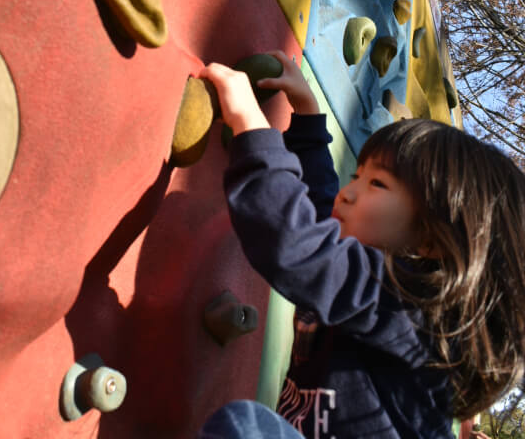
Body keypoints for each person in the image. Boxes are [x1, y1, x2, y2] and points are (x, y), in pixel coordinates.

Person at [199, 51, 525, 439]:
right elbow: (323, 215)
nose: (348, 193)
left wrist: (251, 128)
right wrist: (306, 116)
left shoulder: (409, 303)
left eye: (377, 184)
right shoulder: (375, 279)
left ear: (431, 237)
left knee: (245, 427)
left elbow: (296, 246)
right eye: (357, 176)